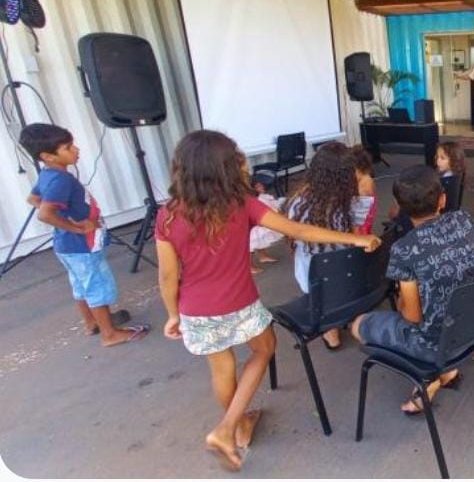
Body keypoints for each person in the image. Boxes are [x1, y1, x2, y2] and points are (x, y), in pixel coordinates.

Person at [155, 130, 380, 471]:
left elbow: (168, 276)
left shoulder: (168, 216)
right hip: (239, 303)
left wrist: (173, 315)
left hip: (195, 310)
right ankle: (229, 426)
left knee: (222, 367)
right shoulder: (241, 204)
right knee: (263, 349)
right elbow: (299, 231)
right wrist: (355, 239)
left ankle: (237, 424)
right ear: (225, 168)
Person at [351, 165, 474, 414]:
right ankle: (448, 373)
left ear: (398, 206)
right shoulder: (464, 219)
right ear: (443, 199)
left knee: (358, 325)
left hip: (437, 347)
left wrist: (401, 304)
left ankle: (430, 380)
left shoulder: (404, 249)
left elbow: (413, 318)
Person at [19, 123, 146, 347]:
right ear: (48, 156)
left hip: (67, 247)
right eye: (68, 147)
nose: (76, 150)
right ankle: (109, 334)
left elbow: (33, 200)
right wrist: (77, 228)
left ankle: (92, 323)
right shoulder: (61, 180)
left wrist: (66, 219)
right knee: (96, 286)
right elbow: (45, 214)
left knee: (81, 286)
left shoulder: (48, 175)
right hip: (82, 246)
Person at [284, 142, 370, 349]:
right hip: (348, 275)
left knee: (311, 268)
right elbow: (358, 238)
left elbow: (295, 238)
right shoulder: (353, 202)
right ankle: (355, 318)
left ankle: (331, 334)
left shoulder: (297, 203)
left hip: (312, 277)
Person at [248, 174, 283, 274]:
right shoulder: (253, 201)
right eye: (258, 186)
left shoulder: (263, 197)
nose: (262, 186)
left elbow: (272, 205)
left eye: (260, 185)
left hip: (261, 224)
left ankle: (263, 256)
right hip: (254, 226)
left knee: (260, 240)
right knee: (251, 246)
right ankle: (249, 266)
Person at [350, 146, 377, 235]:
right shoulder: (366, 179)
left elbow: (357, 223)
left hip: (359, 234)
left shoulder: (364, 188)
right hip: (363, 226)